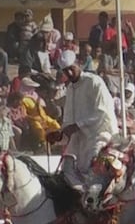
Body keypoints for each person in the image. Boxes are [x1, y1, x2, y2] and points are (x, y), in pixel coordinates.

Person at [49, 50, 117, 181]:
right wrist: (60, 135)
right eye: (65, 71)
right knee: (65, 173)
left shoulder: (94, 82)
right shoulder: (69, 89)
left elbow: (102, 114)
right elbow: (68, 122)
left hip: (99, 138)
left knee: (93, 177)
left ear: (79, 63)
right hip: (79, 141)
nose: (69, 73)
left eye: (71, 69)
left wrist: (76, 126)